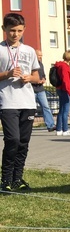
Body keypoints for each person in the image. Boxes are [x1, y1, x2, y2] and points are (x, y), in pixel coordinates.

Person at [0, 13, 41, 191]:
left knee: (23, 142)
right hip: (8, 102)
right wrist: (7, 74)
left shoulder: (29, 50)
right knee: (13, 140)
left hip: (27, 102)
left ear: (24, 30)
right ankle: (6, 180)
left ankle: (18, 178)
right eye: (11, 31)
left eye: (18, 31)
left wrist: (28, 78)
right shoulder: (0, 50)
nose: (15, 34)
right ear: (4, 30)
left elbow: (37, 76)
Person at [54, 50, 70, 136]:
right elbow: (66, 81)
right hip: (64, 90)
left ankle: (59, 129)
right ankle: (65, 130)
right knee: (65, 111)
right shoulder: (64, 67)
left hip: (60, 89)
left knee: (61, 110)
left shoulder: (60, 65)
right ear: (69, 57)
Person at [32, 49, 56, 132]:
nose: (40, 57)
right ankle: (26, 126)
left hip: (40, 89)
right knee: (30, 109)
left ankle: (50, 125)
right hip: (31, 89)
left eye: (41, 56)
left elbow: (43, 75)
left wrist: (43, 79)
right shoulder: (30, 64)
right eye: (39, 55)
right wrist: (35, 80)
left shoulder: (41, 64)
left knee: (46, 107)